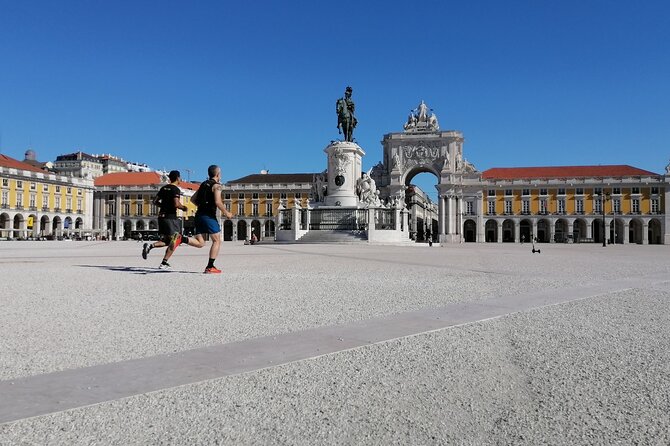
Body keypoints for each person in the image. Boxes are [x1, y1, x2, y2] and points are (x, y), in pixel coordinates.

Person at [142, 170, 202, 269]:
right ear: (178, 178)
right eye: (180, 177)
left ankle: (150, 246)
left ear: (170, 178)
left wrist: (163, 205)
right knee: (176, 239)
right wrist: (184, 207)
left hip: (161, 216)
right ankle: (164, 263)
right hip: (170, 217)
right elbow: (176, 204)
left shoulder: (163, 188)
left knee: (167, 241)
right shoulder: (175, 189)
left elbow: (155, 201)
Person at [190, 165, 234, 274]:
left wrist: (202, 206)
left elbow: (192, 199)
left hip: (199, 215)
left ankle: (181, 239)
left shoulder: (203, 184)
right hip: (208, 216)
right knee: (217, 240)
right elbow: (218, 202)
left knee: (200, 243)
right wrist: (226, 212)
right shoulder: (217, 186)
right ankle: (210, 266)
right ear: (218, 174)